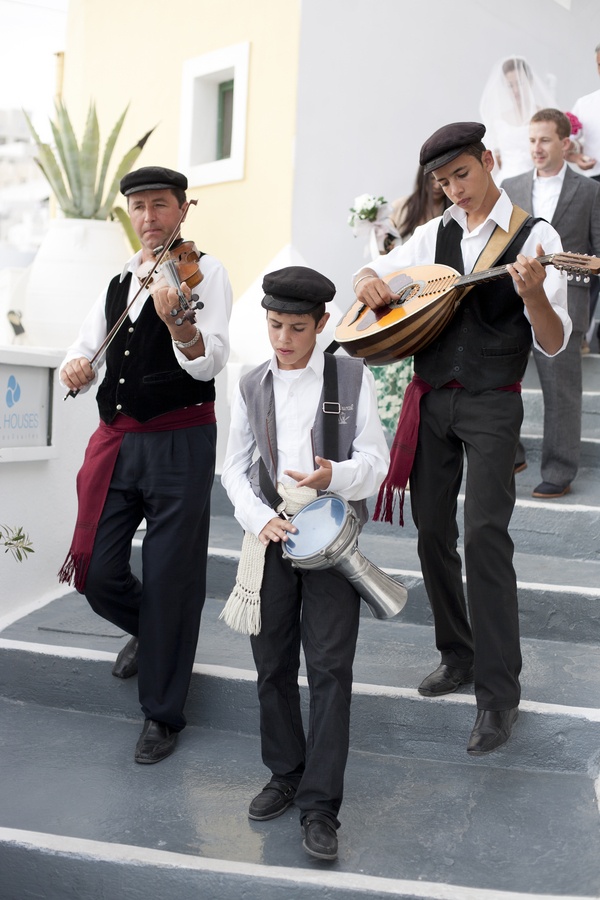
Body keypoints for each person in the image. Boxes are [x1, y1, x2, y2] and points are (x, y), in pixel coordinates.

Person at [352, 122, 571, 756]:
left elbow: (553, 341)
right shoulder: (433, 232)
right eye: (443, 184)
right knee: (428, 530)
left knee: (483, 534)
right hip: (433, 400)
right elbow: (382, 268)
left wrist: (532, 297)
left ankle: (499, 696)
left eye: (463, 176)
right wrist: (370, 276)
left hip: (493, 406)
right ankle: (459, 653)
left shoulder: (538, 237)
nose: (455, 192)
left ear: (489, 161)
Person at [59, 166, 233, 764]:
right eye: (138, 207)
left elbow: (210, 365)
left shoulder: (206, 273)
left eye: (160, 205)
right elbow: (85, 349)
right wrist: (77, 367)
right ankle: (154, 635)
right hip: (120, 440)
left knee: (172, 576)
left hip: (182, 442)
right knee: (97, 570)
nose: (149, 218)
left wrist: (180, 325)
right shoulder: (116, 285)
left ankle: (162, 714)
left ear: (184, 209)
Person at [220, 266, 389, 861]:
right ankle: (284, 774)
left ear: (321, 324)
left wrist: (333, 476)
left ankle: (321, 806)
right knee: (270, 665)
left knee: (329, 670)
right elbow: (234, 468)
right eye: (273, 326)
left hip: (331, 543)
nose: (283, 339)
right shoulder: (250, 382)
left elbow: (377, 461)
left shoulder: (350, 375)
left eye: (297, 327)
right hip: (270, 538)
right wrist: (255, 517)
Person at [503, 109, 600, 498]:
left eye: (545, 140)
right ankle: (511, 454)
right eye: (531, 140)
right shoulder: (510, 186)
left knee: (561, 389)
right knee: (499, 380)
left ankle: (559, 471)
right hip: (512, 298)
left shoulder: (590, 190)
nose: (537, 148)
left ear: (565, 143)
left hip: (565, 298)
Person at [480, 56, 555, 183]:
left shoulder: (545, 115)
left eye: (520, 83)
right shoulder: (498, 120)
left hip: (540, 179)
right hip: (506, 181)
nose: (516, 90)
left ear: (530, 81)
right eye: (510, 85)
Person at [391, 165, 452, 243]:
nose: (437, 186)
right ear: (422, 178)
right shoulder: (400, 206)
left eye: (442, 179)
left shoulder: (455, 212)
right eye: (432, 178)